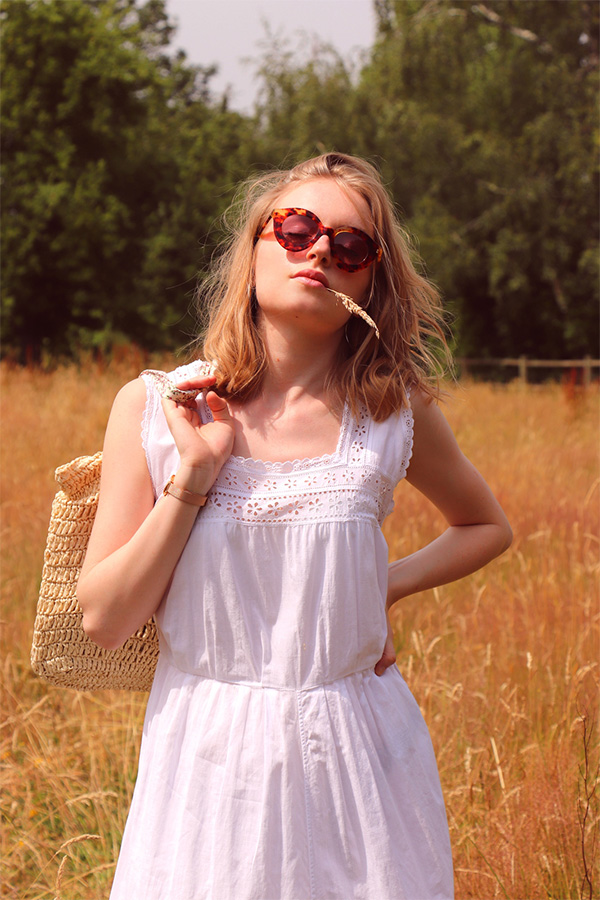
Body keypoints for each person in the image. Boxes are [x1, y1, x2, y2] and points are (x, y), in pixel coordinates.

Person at [78, 152, 512, 900]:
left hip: (360, 764)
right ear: (255, 246)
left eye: (352, 245)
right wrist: (194, 476)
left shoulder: (391, 411)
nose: (321, 253)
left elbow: (485, 525)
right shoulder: (158, 408)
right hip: (209, 766)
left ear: (370, 280)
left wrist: (383, 587)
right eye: (298, 228)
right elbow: (105, 619)